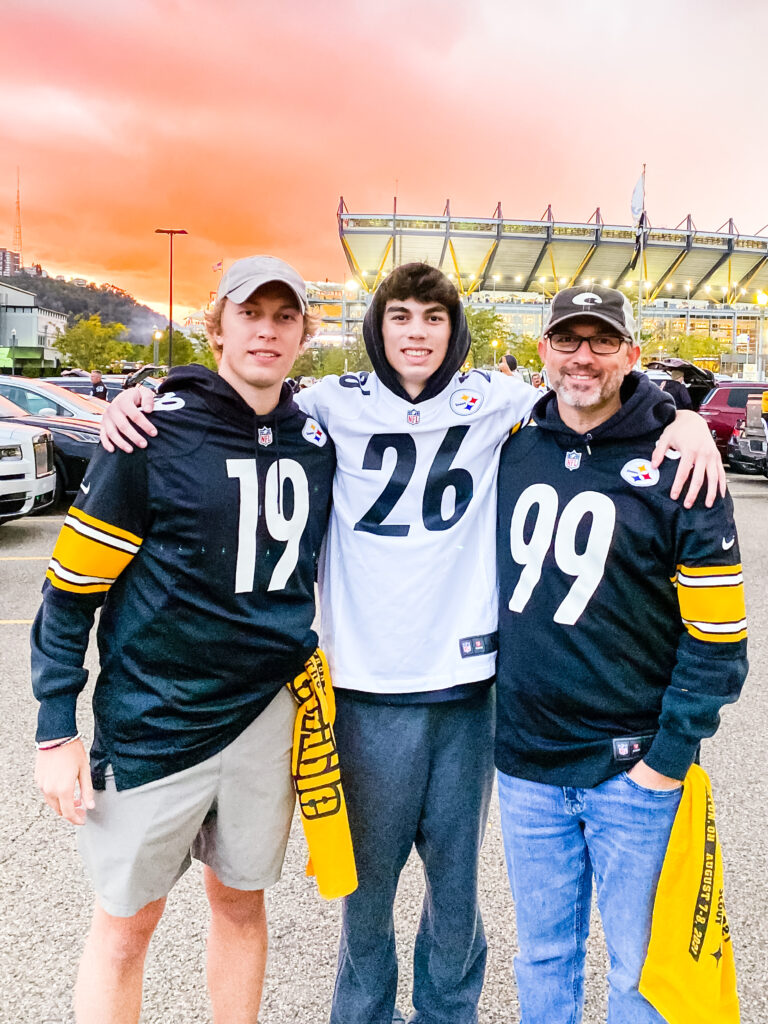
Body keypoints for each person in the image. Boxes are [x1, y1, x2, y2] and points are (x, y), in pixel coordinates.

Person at [101, 266, 724, 1024]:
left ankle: (447, 1014)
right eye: (401, 316)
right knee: (367, 896)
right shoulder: (328, 403)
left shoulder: (498, 400)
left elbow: (593, 389)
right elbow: (237, 393)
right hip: (367, 688)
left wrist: (680, 416)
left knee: (455, 894)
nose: (417, 332)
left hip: (466, 689)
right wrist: (148, 396)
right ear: (378, 327)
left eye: (433, 317)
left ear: (454, 329)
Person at [32, 256, 340, 1024]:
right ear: (217, 325)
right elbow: (70, 590)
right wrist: (53, 729)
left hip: (265, 716)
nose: (266, 330)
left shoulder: (316, 441)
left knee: (239, 903)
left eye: (284, 316)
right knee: (126, 927)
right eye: (250, 314)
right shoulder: (148, 434)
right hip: (154, 719)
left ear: (305, 332)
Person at [494, 284, 749, 1024]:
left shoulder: (680, 463)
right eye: (567, 340)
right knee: (541, 957)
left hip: (632, 772)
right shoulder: (512, 445)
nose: (583, 357)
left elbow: (721, 639)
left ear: (632, 356)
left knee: (641, 976)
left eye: (601, 341)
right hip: (526, 766)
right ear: (541, 350)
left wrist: (665, 761)